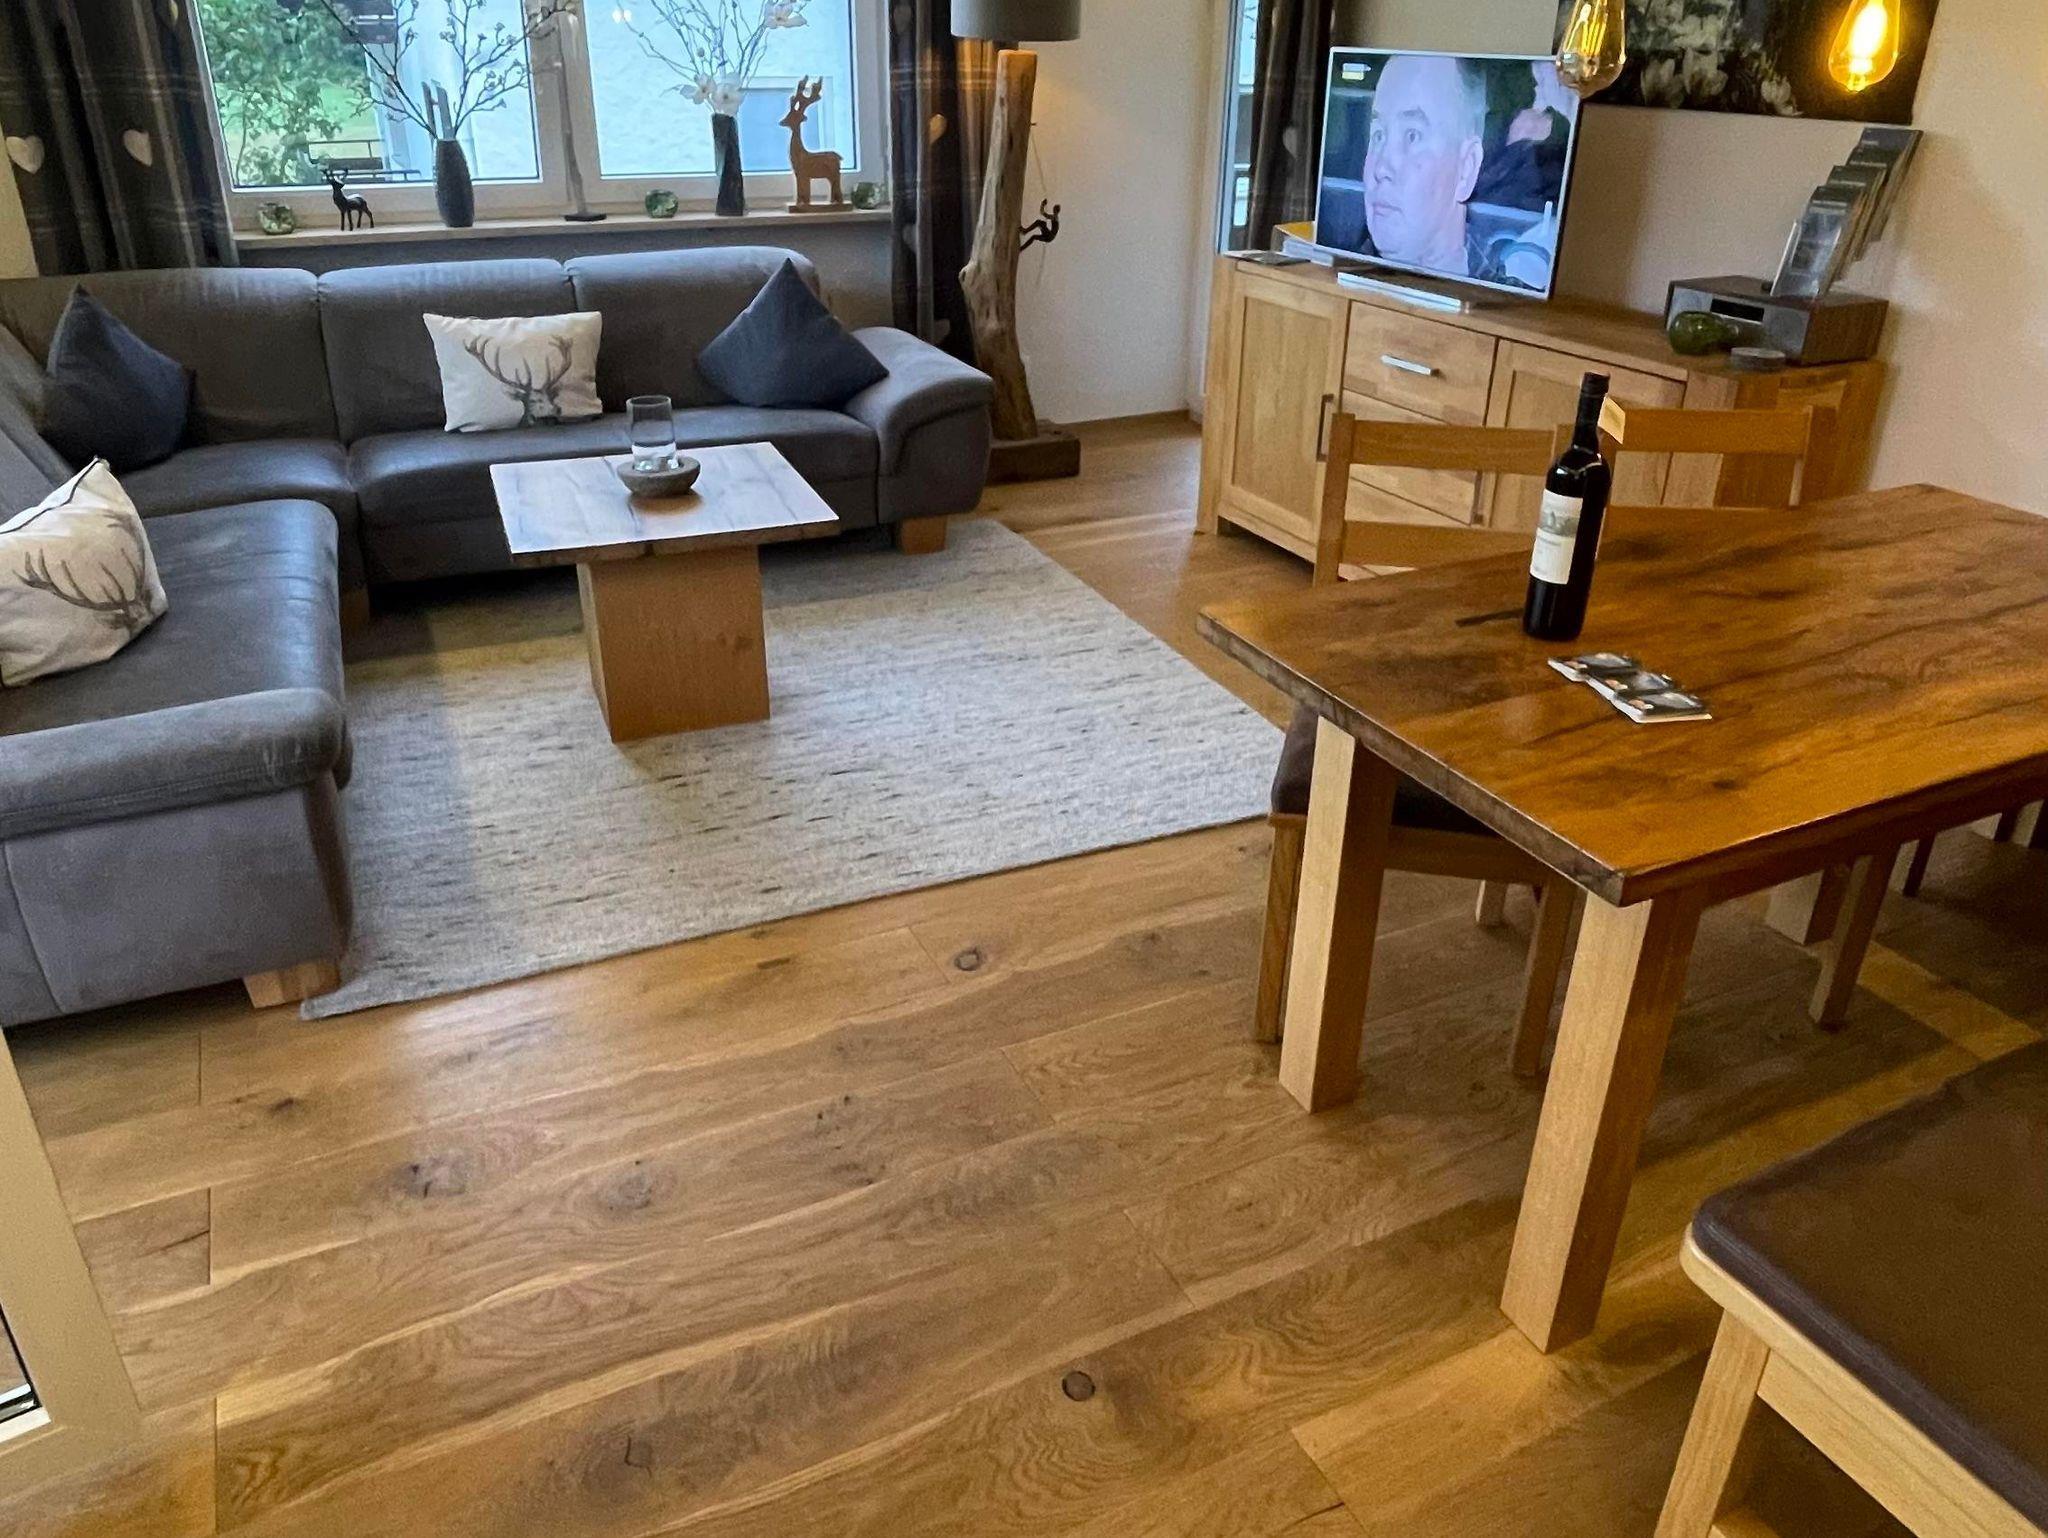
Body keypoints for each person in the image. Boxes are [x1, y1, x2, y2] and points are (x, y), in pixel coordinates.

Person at [1360, 54, 1488, 279]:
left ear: (1467, 169)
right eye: (1378, 135)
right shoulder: (1337, 269)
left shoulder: (1511, 295)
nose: (1381, 169)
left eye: (1412, 135)